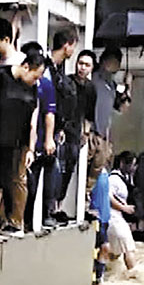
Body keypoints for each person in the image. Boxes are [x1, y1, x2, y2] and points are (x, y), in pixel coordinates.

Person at [0, 48, 46, 238]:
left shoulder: (31, 89)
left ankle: (16, 222)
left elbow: (32, 120)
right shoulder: (2, 77)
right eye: (35, 75)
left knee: (18, 179)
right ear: (25, 66)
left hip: (20, 140)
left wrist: (31, 147)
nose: (36, 81)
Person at [41, 26, 79, 224]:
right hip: (44, 126)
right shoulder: (48, 69)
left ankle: (51, 208)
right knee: (51, 168)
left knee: (57, 168)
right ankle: (45, 211)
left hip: (56, 126)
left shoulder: (57, 69)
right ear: (67, 46)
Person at [22, 41, 58, 231]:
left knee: (42, 178)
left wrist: (49, 138)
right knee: (27, 184)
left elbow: (49, 113)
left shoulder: (45, 84)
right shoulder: (20, 80)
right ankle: (24, 219)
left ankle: (45, 214)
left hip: (39, 139)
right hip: (20, 138)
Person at [56, 49, 96, 217]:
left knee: (69, 169)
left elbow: (89, 114)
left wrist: (86, 133)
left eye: (87, 65)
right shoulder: (67, 82)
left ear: (92, 68)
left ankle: (59, 205)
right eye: (81, 63)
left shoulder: (91, 89)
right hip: (63, 130)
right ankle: (52, 206)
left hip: (76, 133)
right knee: (58, 167)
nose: (82, 68)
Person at [87, 46, 131, 197]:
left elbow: (122, 108)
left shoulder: (111, 85)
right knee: (86, 167)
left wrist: (127, 87)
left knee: (97, 169)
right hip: (91, 131)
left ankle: (87, 199)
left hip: (103, 134)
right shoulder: (93, 78)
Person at [108, 152, 137, 270]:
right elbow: (108, 196)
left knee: (116, 252)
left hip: (118, 218)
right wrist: (124, 208)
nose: (134, 168)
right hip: (113, 218)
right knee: (129, 249)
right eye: (132, 165)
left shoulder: (125, 179)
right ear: (122, 163)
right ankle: (134, 274)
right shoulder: (114, 179)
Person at [90, 166, 111, 285]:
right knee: (104, 247)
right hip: (96, 216)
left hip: (105, 216)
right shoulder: (92, 172)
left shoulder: (105, 173)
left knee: (102, 249)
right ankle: (97, 279)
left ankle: (99, 277)